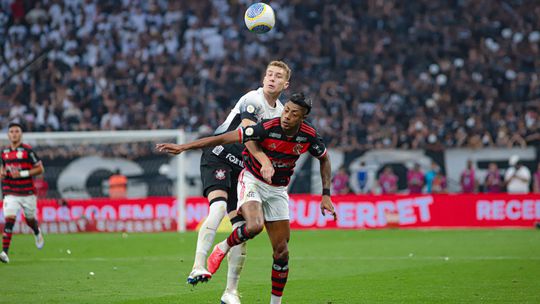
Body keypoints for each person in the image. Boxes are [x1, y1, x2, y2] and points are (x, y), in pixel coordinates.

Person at [157, 93, 337, 304]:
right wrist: (183, 147)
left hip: (278, 189)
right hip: (252, 180)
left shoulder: (309, 135)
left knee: (282, 252)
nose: (286, 116)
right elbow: (223, 138)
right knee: (253, 226)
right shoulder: (267, 127)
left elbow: (324, 159)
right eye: (286, 110)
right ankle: (222, 247)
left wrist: (326, 194)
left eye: (293, 113)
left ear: (303, 117)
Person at [187, 61, 291, 303]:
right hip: (219, 155)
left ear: (285, 84)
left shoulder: (281, 112)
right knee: (219, 207)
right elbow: (247, 134)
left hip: (243, 171)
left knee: (240, 231)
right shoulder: (252, 100)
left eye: (277, 76)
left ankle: (231, 292)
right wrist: (265, 161)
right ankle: (198, 266)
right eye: (269, 74)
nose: (271, 79)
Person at [1, 122, 45, 264]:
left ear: (21, 134)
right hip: (10, 191)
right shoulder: (4, 152)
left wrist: (22, 173)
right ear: (8, 135)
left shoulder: (28, 151)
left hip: (27, 192)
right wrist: (2, 173)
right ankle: (5, 253)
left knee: (30, 219)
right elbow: (2, 170)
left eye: (17, 131)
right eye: (12, 131)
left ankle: (36, 231)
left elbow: (40, 169)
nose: (14, 134)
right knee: (9, 220)